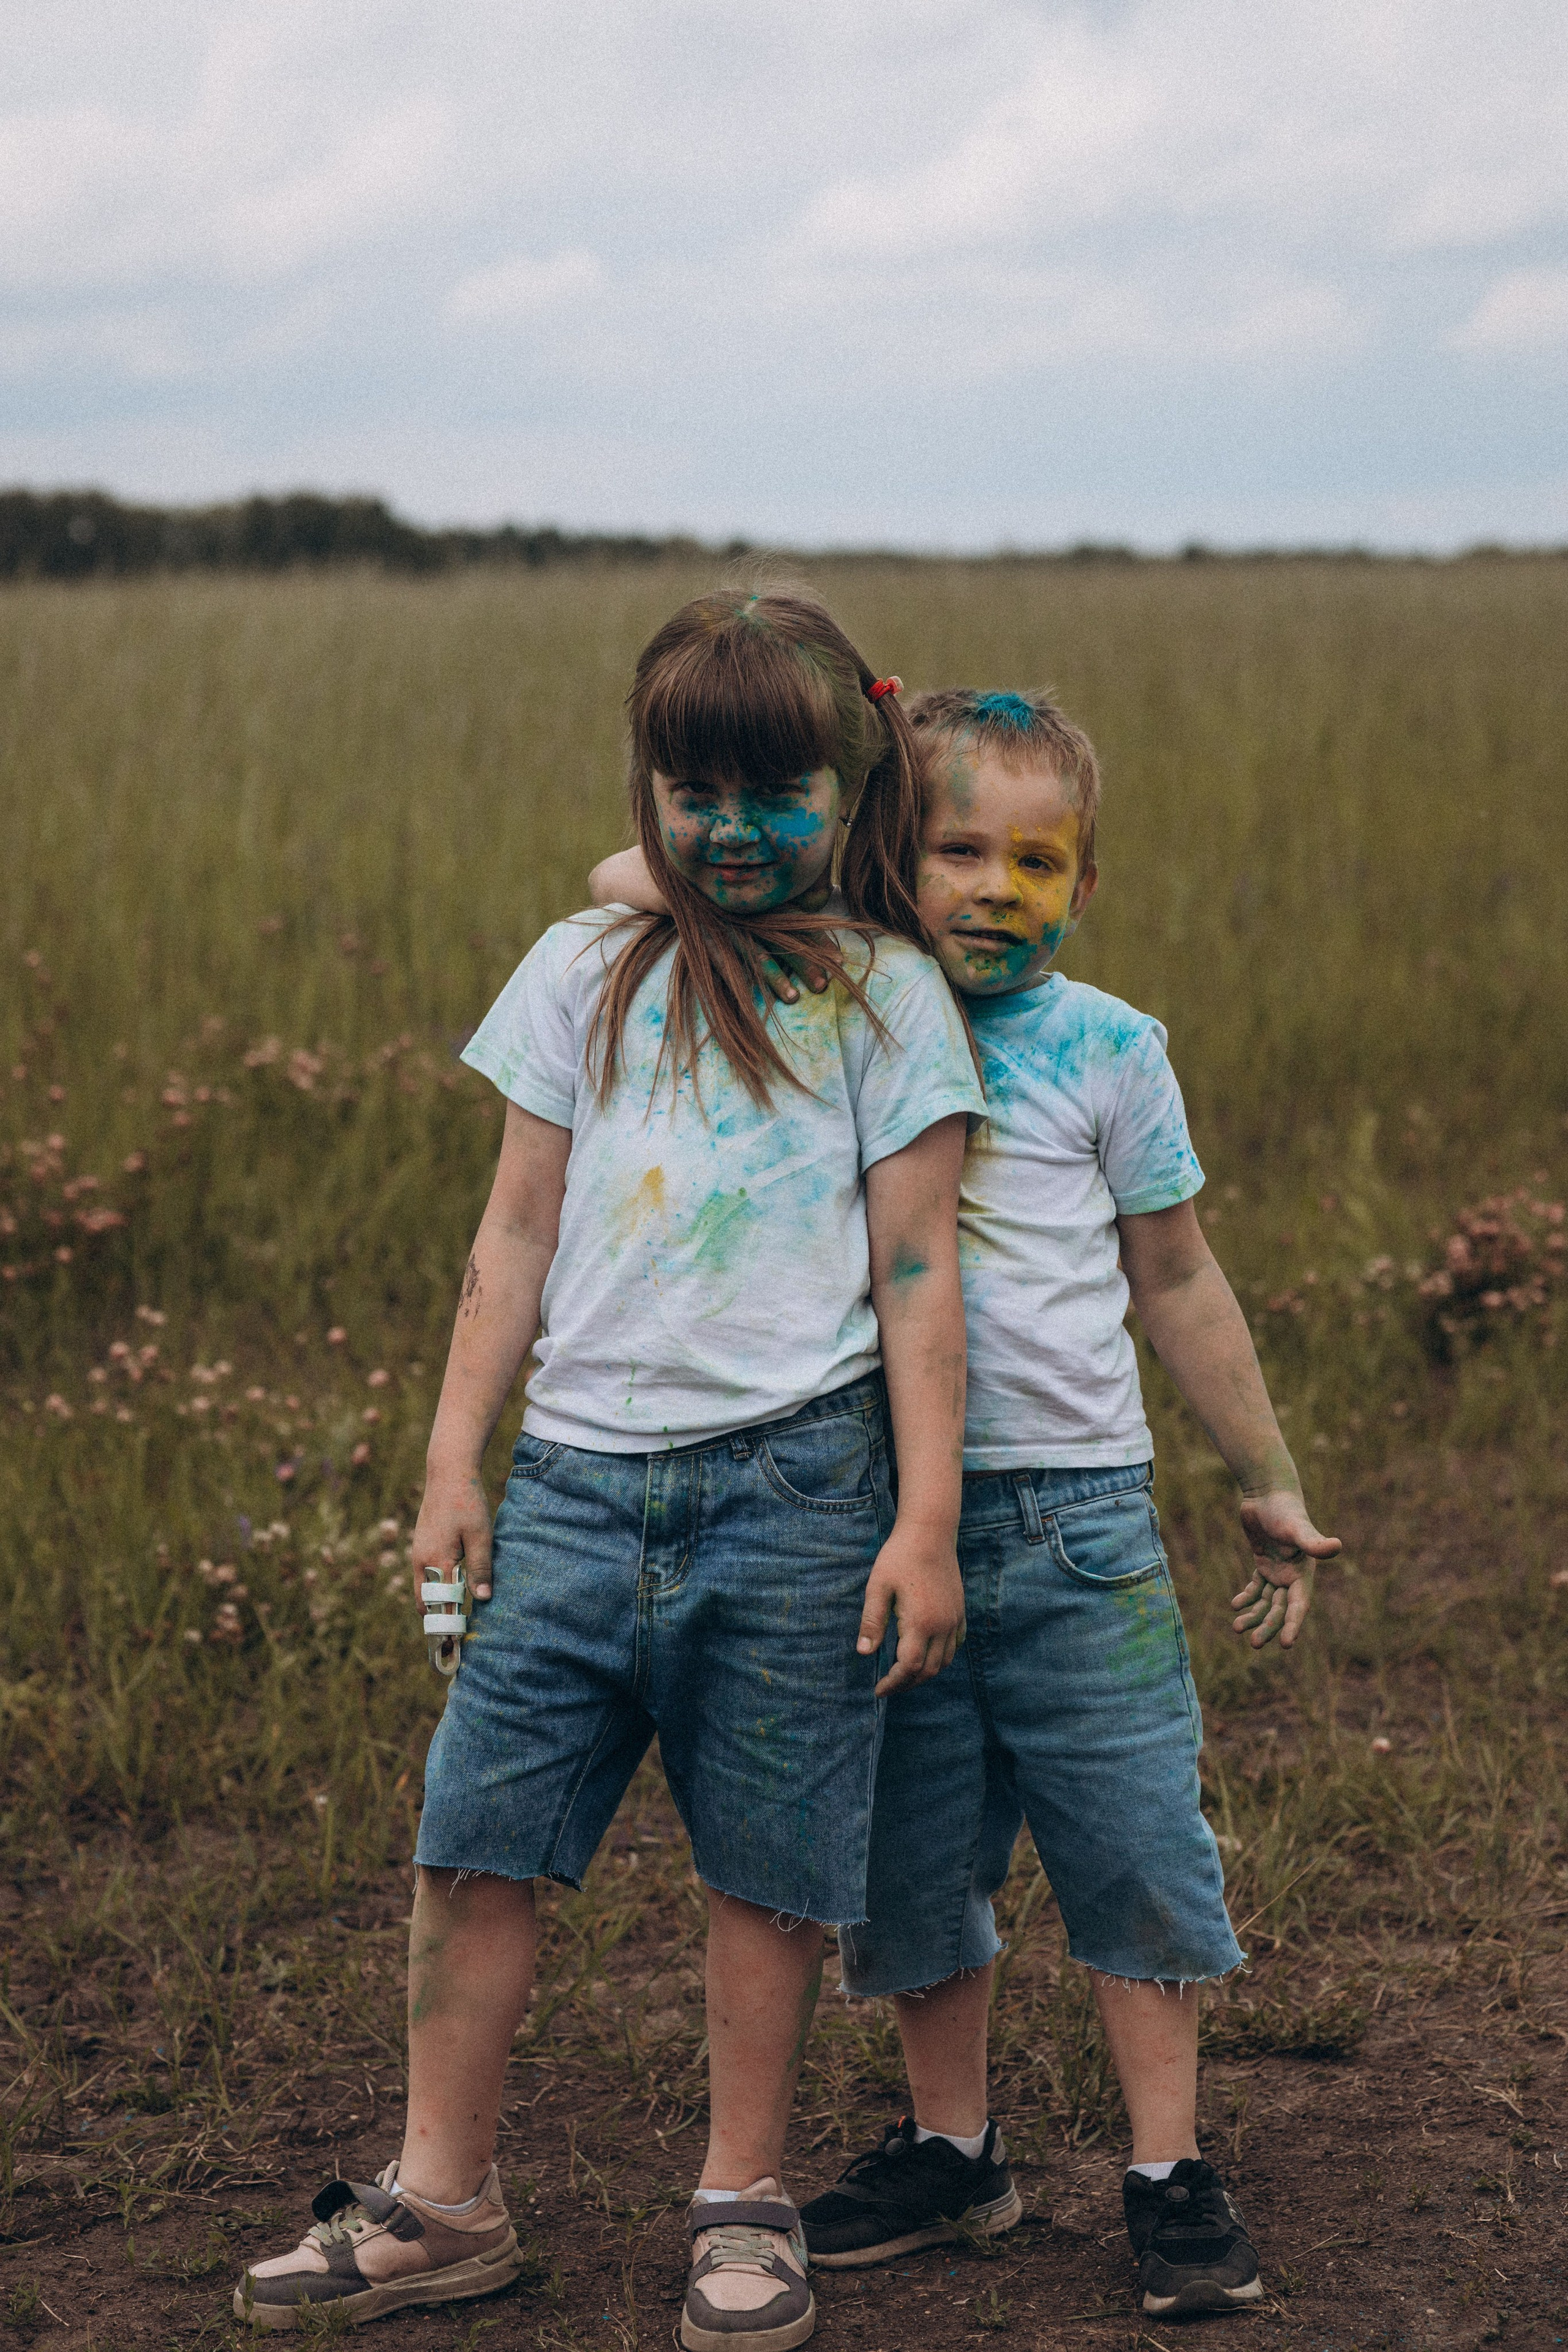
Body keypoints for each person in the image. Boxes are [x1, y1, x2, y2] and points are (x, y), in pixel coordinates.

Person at [234, 594, 985, 2351]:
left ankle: (742, 2202)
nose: (729, 829)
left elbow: (918, 1269)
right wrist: (451, 1458)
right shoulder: (582, 965)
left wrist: (927, 1520)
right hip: (573, 1485)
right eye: (689, 788)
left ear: (846, 786)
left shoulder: (884, 995)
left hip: (800, 1495)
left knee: (771, 1872)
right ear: (646, 785)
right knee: (475, 1838)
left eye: (774, 791)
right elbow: (513, 1230)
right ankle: (441, 2201)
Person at [591, 685, 1340, 2322]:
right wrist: (849, 823)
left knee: (1132, 1841)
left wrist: (1266, 1478)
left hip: (1082, 1527)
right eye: (953, 849)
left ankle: (1168, 2170)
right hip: (884, 1524)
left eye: (1038, 860)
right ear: (884, 856)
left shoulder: (1110, 1050)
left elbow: (1181, 1277)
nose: (996, 888)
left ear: (1087, 884)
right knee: (921, 1863)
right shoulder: (836, 994)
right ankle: (956, 2152)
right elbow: (621, 880)